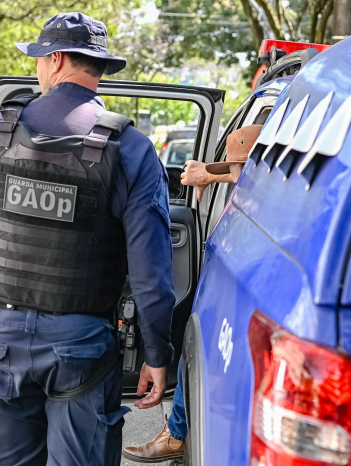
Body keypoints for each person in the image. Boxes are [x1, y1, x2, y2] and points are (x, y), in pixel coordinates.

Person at [0, 12, 175, 466]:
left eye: (39, 58)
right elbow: (152, 273)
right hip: (82, 346)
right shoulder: (131, 148)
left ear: (57, 59)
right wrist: (156, 352)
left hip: (1, 337)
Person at [122, 124, 262, 463]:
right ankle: (177, 432)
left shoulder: (261, 209)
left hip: (245, 300)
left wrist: (211, 176)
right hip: (233, 291)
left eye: (236, 169)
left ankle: (176, 434)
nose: (234, 177)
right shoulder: (252, 197)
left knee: (195, 344)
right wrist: (211, 177)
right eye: (232, 171)